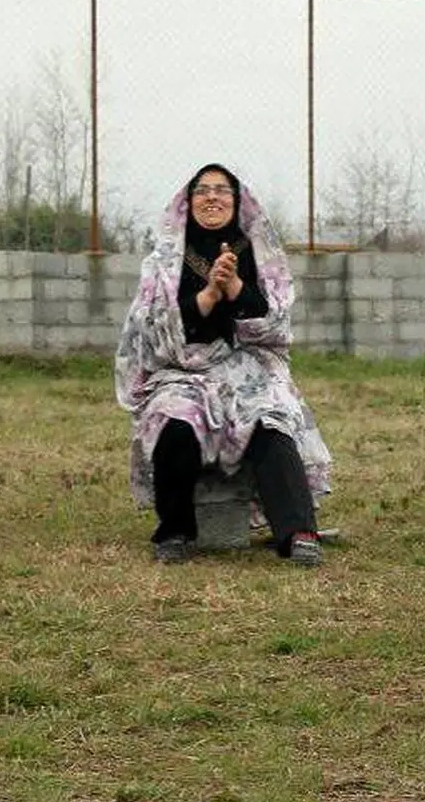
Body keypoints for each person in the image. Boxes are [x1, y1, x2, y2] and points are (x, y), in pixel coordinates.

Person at [116, 164, 330, 565]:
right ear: (188, 200)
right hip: (183, 369)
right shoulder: (165, 261)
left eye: (222, 191)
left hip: (249, 366)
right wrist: (209, 295)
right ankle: (175, 533)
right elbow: (152, 329)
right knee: (173, 423)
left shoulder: (259, 253)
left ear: (237, 201)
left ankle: (298, 531)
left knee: (271, 421)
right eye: (202, 190)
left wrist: (234, 287)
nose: (211, 197)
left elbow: (276, 323)